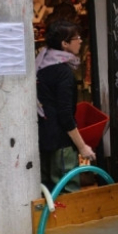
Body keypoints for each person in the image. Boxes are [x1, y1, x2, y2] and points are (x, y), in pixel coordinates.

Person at [36, 18, 96, 193]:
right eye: (77, 38)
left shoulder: (41, 66)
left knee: (47, 191)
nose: (80, 41)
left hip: (43, 139)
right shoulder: (63, 73)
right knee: (67, 191)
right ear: (65, 44)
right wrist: (82, 146)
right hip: (60, 143)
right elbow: (65, 115)